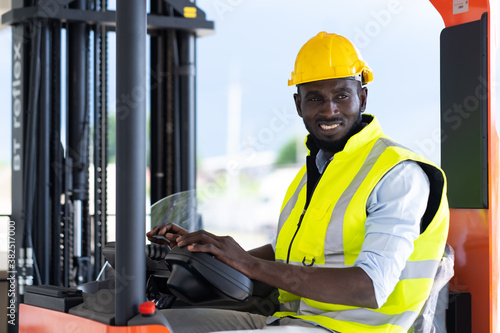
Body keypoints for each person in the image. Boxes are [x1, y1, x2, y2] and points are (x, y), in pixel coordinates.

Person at [147, 32, 449, 333]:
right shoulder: (316, 171)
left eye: (342, 95)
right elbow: (286, 255)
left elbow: (369, 287)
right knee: (155, 326)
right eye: (315, 98)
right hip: (292, 319)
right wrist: (207, 253)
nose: (329, 109)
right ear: (298, 104)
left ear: (363, 98)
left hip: (349, 329)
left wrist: (249, 265)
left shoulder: (397, 175)